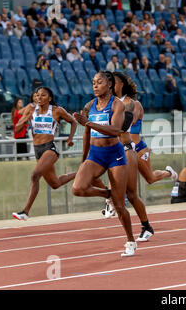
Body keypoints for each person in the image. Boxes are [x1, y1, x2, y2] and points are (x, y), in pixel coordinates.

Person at [72, 71, 137, 257]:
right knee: (78, 188)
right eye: (93, 82)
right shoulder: (90, 105)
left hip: (114, 155)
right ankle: (107, 193)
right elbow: (86, 133)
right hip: (96, 154)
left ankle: (131, 240)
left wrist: (89, 124)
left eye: (99, 82)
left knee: (119, 206)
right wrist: (83, 159)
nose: (95, 85)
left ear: (109, 84)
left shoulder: (117, 104)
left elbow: (116, 130)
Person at [95, 72, 155, 241]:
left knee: (131, 193)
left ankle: (146, 226)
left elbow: (129, 122)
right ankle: (109, 198)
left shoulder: (132, 103)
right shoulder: (104, 103)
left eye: (115, 82)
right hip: (108, 149)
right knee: (87, 176)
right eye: (109, 82)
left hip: (127, 149)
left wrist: (109, 121)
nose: (112, 84)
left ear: (122, 84)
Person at [12, 87, 77, 220]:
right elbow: (17, 129)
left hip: (50, 149)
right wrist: (25, 120)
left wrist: (70, 138)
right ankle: (81, 172)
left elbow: (73, 122)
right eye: (37, 95)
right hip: (37, 151)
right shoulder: (30, 110)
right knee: (55, 184)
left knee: (35, 175)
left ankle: (25, 211)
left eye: (43, 95)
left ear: (50, 98)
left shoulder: (57, 111)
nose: (39, 98)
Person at [129, 83, 178, 184]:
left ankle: (169, 172)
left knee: (150, 179)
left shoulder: (136, 104)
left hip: (138, 148)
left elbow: (132, 121)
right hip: (125, 148)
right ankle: (111, 199)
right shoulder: (116, 105)